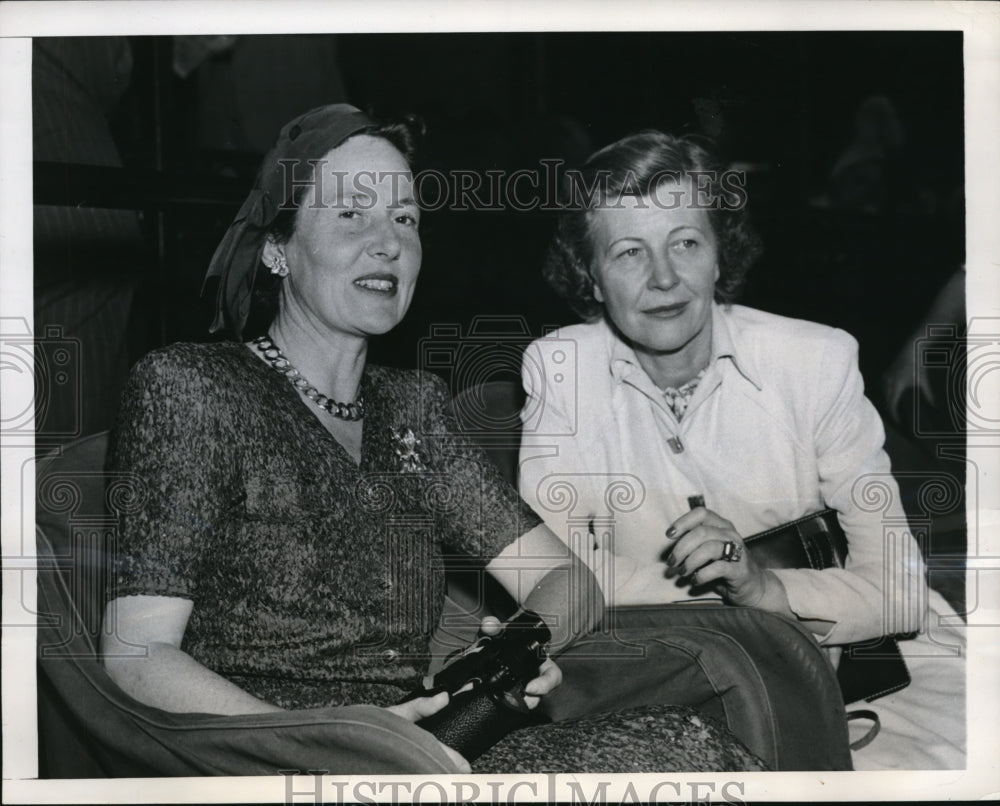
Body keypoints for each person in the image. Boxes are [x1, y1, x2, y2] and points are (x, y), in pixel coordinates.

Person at [99, 105, 766, 774]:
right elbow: (137, 654)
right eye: (351, 215)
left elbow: (571, 583)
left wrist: (513, 652)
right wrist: (334, 734)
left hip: (431, 743)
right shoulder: (191, 385)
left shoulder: (412, 405)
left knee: (696, 747)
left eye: (405, 219)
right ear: (277, 248)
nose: (388, 243)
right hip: (274, 758)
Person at [519, 131, 965, 770]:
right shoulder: (557, 368)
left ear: (720, 256)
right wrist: (737, 603)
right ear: (589, 277)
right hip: (658, 686)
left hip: (845, 681)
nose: (664, 278)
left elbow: (899, 595)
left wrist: (761, 585)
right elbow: (559, 581)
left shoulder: (816, 360)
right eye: (628, 253)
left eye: (686, 243)